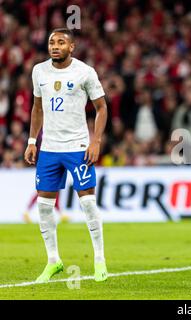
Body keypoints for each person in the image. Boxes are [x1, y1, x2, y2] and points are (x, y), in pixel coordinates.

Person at [24, 28, 108, 283]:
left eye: (61, 42)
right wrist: (31, 141)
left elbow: (101, 107)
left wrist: (96, 141)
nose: (55, 46)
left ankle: (99, 259)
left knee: (88, 203)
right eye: (51, 42)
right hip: (49, 148)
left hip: (77, 148)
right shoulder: (39, 71)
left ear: (72, 47)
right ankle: (53, 261)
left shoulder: (85, 72)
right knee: (44, 206)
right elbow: (37, 108)